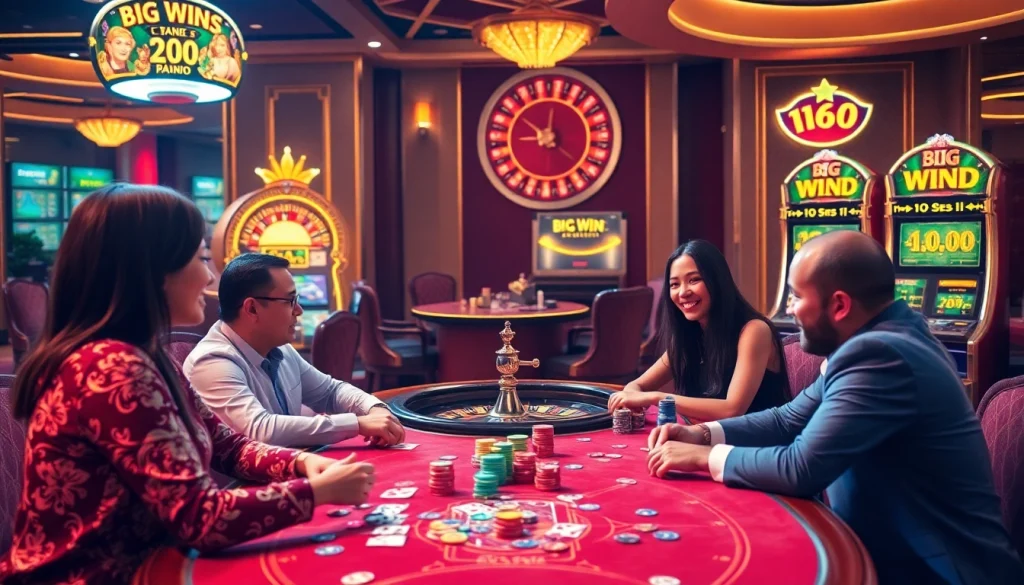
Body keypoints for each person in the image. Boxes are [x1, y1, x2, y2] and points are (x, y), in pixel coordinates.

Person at [0, 184, 376, 585]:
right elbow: (199, 518)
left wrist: (300, 463)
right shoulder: (110, 368)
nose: (210, 276)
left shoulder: (143, 353)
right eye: (199, 258)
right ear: (154, 272)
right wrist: (315, 494)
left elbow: (225, 443)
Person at [646, 231, 1024, 585]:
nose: (789, 309)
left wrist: (701, 457)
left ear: (840, 305)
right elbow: (789, 417)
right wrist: (702, 433)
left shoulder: (880, 355)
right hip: (886, 549)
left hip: (937, 571)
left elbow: (802, 468)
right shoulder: (881, 337)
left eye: (796, 296)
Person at [183, 253, 405, 448]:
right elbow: (261, 430)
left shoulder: (280, 349)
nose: (299, 310)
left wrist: (374, 408)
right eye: (290, 300)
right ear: (252, 308)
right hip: (241, 488)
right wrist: (357, 424)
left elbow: (331, 391)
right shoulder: (212, 362)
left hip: (287, 471)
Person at [608, 240, 789, 422]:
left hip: (755, 445)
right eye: (674, 284)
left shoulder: (754, 331)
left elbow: (732, 409)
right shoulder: (690, 334)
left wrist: (656, 398)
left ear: (717, 281)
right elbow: (638, 385)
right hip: (704, 438)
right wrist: (633, 394)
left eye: (694, 280)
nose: (683, 292)